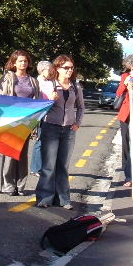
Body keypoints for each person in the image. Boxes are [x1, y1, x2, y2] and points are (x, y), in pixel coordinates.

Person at [35, 55, 85, 208]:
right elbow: (38, 105)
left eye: (71, 68)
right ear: (57, 69)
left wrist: (77, 123)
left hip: (68, 130)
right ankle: (45, 198)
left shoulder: (75, 86)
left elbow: (81, 107)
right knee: (49, 166)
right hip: (50, 127)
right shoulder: (48, 85)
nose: (70, 70)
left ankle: (63, 199)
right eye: (66, 68)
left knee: (63, 166)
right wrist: (49, 99)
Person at [0, 50, 41, 196]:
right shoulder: (8, 78)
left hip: (26, 123)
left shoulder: (33, 81)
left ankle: (20, 186)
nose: (23, 63)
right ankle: (8, 185)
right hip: (11, 121)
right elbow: (0, 98)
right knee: (10, 153)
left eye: (25, 61)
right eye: (20, 61)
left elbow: (38, 102)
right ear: (14, 62)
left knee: (22, 155)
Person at [114, 53, 133, 187]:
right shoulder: (125, 76)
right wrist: (125, 83)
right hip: (126, 114)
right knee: (126, 143)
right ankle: (127, 172)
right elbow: (118, 93)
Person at [30, 60, 55, 177]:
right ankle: (35, 168)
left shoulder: (51, 82)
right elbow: (35, 99)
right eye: (48, 69)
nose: (50, 71)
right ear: (42, 70)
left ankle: (43, 166)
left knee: (47, 142)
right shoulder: (36, 82)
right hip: (41, 115)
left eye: (51, 69)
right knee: (40, 141)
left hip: (51, 114)